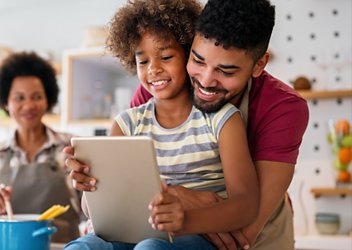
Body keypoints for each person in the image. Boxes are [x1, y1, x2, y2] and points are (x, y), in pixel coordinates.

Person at [64, 0, 259, 249]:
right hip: (130, 233)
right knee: (83, 247)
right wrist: (88, 184)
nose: (154, 69)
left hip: (195, 236)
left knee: (149, 247)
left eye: (165, 57)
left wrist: (186, 219)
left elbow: (246, 205)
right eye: (142, 61)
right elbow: (93, 211)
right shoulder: (127, 124)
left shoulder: (222, 119)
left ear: (189, 55)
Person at [130, 0, 310, 249]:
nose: (205, 81)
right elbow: (134, 179)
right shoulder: (158, 92)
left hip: (259, 237)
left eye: (226, 71)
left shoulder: (283, 107)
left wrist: (189, 204)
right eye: (198, 60)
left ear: (259, 64)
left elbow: (244, 232)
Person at [0, 52, 82, 243]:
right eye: (19, 98)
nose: (28, 105)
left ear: (48, 100)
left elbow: (93, 211)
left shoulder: (71, 147)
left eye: (36, 97)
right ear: (6, 103)